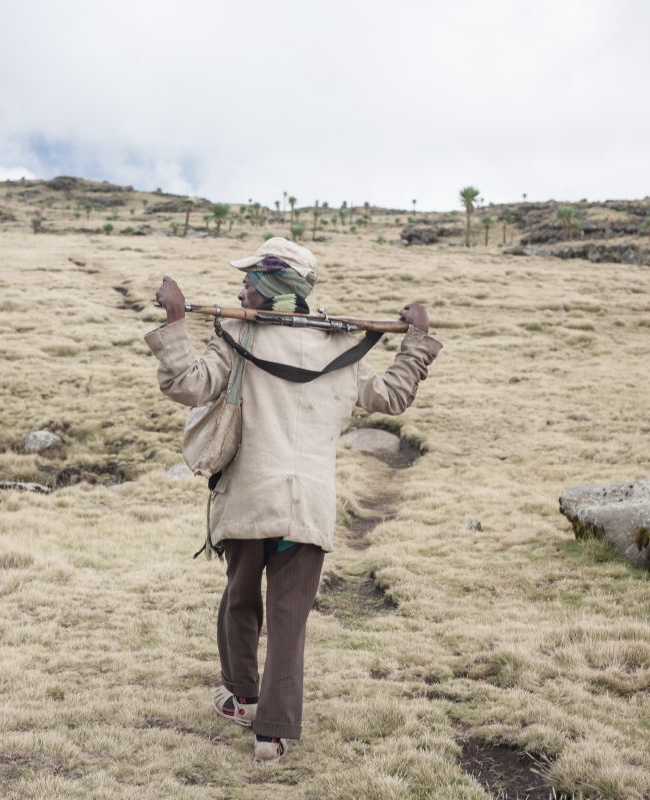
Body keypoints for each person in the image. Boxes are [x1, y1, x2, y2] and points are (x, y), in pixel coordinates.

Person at [145, 238, 441, 766]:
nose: (241, 288)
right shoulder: (340, 345)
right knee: (289, 620)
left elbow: (187, 385)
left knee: (239, 600)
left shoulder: (237, 334)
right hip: (309, 507)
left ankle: (242, 698)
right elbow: (393, 396)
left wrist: (174, 323)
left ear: (270, 285)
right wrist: (415, 340)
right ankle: (272, 736)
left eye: (250, 279)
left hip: (249, 501)